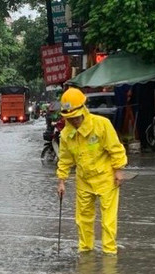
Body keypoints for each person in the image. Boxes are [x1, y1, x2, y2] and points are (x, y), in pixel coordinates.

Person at [56, 87, 128, 255]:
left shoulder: (102, 125)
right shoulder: (66, 134)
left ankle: (109, 253)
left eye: (74, 117)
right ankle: (85, 251)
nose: (73, 121)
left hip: (106, 178)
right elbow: (65, 159)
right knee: (83, 219)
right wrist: (61, 181)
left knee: (108, 220)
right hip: (84, 180)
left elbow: (115, 149)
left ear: (83, 110)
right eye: (69, 118)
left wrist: (118, 171)